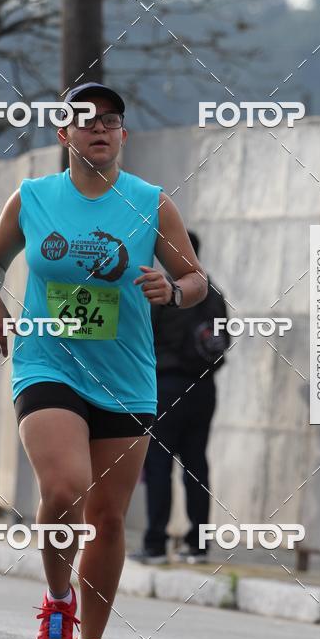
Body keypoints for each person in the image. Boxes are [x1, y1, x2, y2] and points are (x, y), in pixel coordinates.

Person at [0, 82, 207, 639]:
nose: (99, 129)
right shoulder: (32, 198)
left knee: (108, 521)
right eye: (85, 121)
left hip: (126, 377)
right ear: (65, 135)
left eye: (110, 120)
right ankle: (58, 602)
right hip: (47, 363)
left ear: (123, 135)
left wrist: (173, 290)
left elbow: (195, 279)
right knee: (65, 487)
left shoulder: (151, 203)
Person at [131, 231, 229, 565]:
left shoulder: (166, 292)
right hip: (204, 389)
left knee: (158, 465)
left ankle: (156, 544)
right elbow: (222, 341)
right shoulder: (213, 294)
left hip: (167, 387)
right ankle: (197, 545)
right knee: (196, 465)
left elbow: (144, 340)